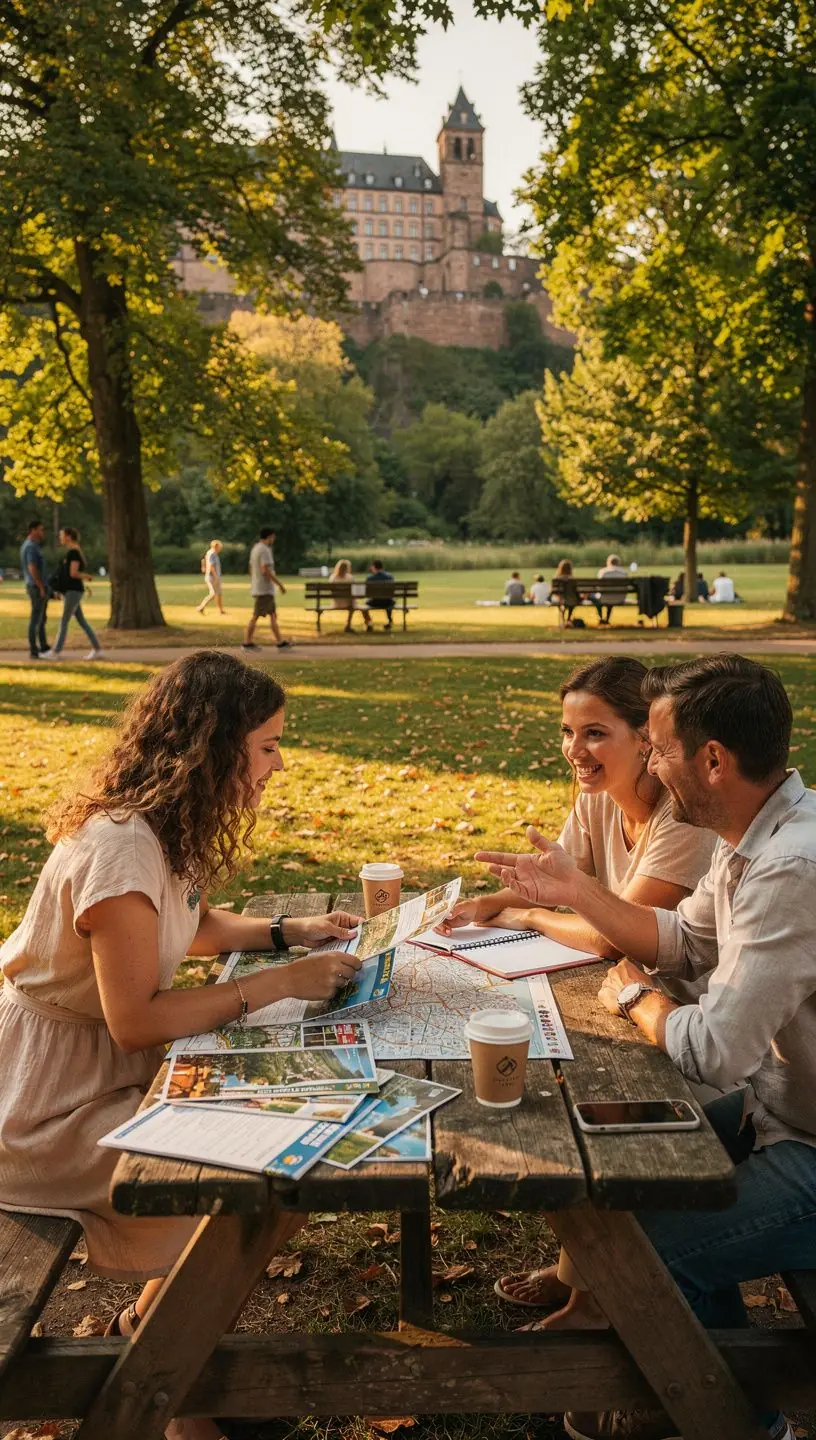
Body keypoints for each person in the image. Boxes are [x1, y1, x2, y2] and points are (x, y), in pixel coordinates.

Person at [0, 651, 364, 1440]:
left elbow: (188, 925)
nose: (277, 762)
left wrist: (282, 932)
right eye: (266, 745)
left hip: (105, 1074)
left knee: (285, 1164)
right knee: (257, 1176)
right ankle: (174, 1390)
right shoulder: (122, 847)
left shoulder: (162, 824)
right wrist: (280, 980)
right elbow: (135, 1017)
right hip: (46, 1108)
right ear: (214, 744)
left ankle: (164, 1337)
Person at [476, 655, 815, 1440]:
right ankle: (699, 1384)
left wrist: (637, 998)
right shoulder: (750, 833)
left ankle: (746, 1422)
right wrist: (575, 889)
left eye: (659, 749)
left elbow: (713, 1050)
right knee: (623, 1159)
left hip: (807, 1141)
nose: (656, 769)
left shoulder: (792, 866)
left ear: (714, 760)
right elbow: (678, 939)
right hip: (780, 1111)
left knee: (643, 1258)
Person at [439, 657, 717, 1329]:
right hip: (628, 999)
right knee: (556, 1069)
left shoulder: (682, 822)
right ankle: (581, 1268)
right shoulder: (596, 800)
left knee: (587, 1096)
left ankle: (597, 1292)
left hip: (685, 1019)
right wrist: (490, 902)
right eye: (567, 732)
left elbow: (605, 936)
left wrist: (528, 915)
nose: (575, 751)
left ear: (645, 738)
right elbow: (556, 882)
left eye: (594, 733)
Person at [42, 527, 102, 660]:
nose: (60, 538)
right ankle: (98, 649)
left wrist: (86, 576)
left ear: (68, 536)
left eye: (62, 535)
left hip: (73, 591)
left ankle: (55, 652)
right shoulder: (75, 551)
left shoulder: (73, 552)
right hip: (73, 591)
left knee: (64, 621)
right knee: (81, 621)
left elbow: (73, 573)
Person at [242, 527, 291, 650]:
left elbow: (251, 568)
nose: (274, 540)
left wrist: (254, 582)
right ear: (269, 536)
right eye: (273, 537)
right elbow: (265, 570)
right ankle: (247, 642)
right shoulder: (264, 550)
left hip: (260, 587)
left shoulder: (256, 548)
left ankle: (280, 641)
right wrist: (279, 584)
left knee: (273, 614)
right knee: (256, 615)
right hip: (264, 589)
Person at [20, 517, 49, 659]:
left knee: (41, 617)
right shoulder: (31, 546)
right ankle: (34, 650)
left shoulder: (31, 545)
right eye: (41, 530)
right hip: (35, 586)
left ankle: (43, 646)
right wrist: (41, 586)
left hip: (35, 585)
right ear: (33, 530)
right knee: (36, 618)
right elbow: (32, 568)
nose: (43, 532)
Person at [329, 558, 372, 633]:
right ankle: (367, 624)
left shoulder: (333, 577)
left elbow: (332, 592)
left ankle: (350, 625)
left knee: (355, 605)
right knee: (360, 607)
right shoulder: (349, 577)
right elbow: (355, 591)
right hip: (349, 603)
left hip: (337, 602)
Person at [594, 553, 628, 625]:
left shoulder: (603, 571)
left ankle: (601, 618)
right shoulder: (624, 573)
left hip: (605, 598)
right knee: (611, 595)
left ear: (608, 562)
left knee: (596, 597)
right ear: (618, 563)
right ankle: (606, 619)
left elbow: (599, 588)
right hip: (620, 599)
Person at [197, 539, 226, 615]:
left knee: (219, 594)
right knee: (213, 594)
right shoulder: (212, 553)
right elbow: (211, 566)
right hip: (212, 577)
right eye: (220, 547)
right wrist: (216, 576)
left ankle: (221, 610)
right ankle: (201, 607)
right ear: (216, 546)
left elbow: (203, 560)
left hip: (215, 577)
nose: (220, 548)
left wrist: (203, 567)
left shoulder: (212, 553)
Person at [366, 558, 395, 630]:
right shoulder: (390, 577)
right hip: (388, 602)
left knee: (365, 605)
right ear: (382, 567)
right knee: (390, 601)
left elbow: (367, 592)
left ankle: (369, 623)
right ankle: (390, 621)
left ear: (374, 567)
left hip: (375, 602)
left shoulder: (370, 578)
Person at [554, 558, 580, 626]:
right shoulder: (572, 579)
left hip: (561, 600)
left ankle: (563, 619)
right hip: (572, 600)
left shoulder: (557, 578)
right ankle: (568, 619)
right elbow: (576, 591)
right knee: (571, 603)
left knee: (564, 604)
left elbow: (554, 591)